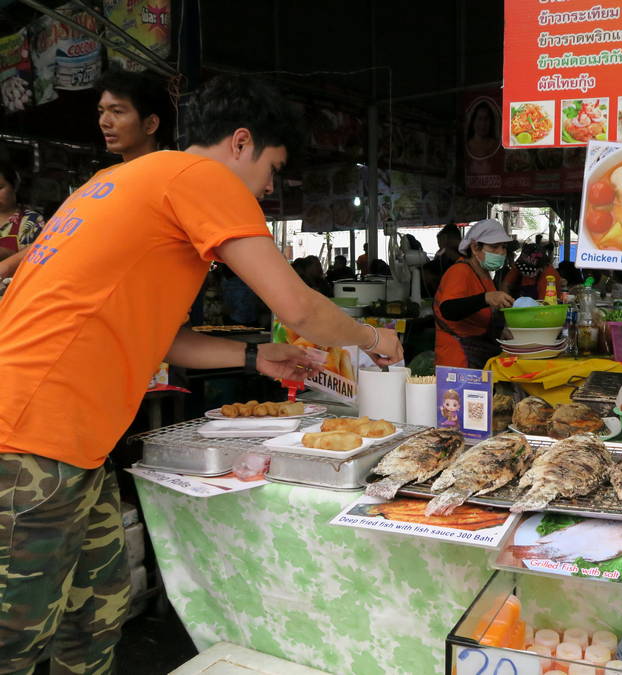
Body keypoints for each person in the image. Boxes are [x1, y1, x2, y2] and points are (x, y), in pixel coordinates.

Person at [0, 74, 402, 673]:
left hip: (75, 441)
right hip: (31, 436)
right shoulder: (200, 177)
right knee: (15, 636)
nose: (268, 188)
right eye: (272, 168)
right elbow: (297, 306)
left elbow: (161, 337)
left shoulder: (119, 182)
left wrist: (252, 357)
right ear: (241, 142)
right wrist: (374, 337)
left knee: (97, 612)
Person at [0, 69, 172, 279]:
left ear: (150, 124)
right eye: (101, 112)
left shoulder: (168, 176)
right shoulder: (100, 180)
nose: (104, 122)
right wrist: (7, 267)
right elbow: (57, 237)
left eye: (117, 111)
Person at [434, 218, 514, 368]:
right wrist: (486, 298)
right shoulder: (460, 272)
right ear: (475, 247)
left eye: (503, 247)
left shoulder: (484, 275)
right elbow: (448, 309)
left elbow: (482, 315)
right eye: (494, 247)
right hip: (458, 359)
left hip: (479, 353)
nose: (501, 252)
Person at [0, 161, 45, 260]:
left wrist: (8, 254)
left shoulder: (33, 220)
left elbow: (39, 257)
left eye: (0, 188)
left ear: (15, 186)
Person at [422, 223, 462, 296]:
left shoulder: (463, 254)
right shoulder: (443, 254)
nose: (439, 246)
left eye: (439, 242)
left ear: (445, 238)